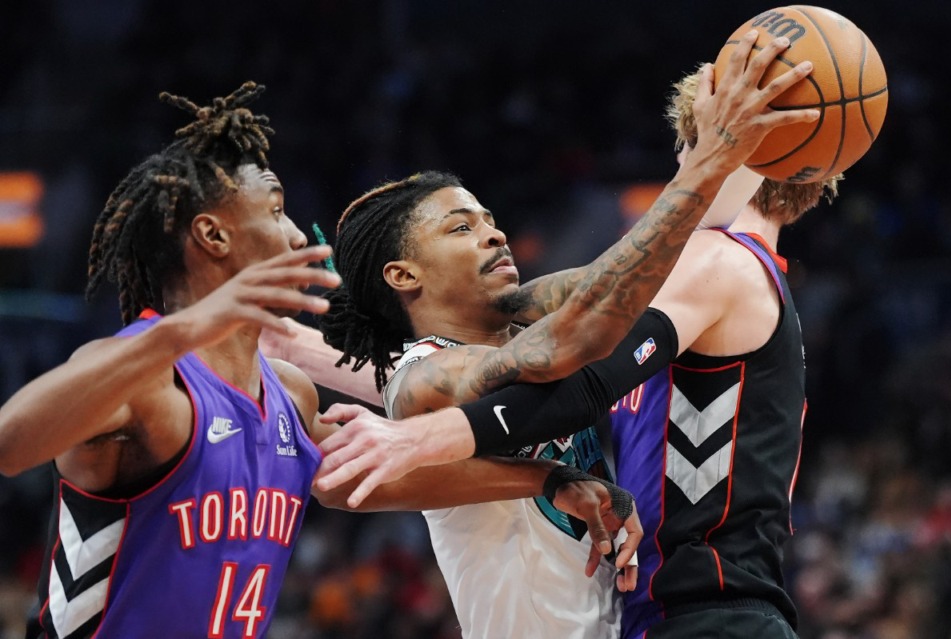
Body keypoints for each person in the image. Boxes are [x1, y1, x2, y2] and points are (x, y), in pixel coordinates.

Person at [0, 82, 642, 639]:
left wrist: (544, 481)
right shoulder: (142, 379)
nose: (295, 234)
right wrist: (189, 326)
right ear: (214, 236)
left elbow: (362, 481)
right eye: (277, 211)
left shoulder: (289, 394)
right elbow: (10, 444)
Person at [309, 34, 819, 638]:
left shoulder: (515, 331)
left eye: (492, 222)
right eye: (461, 228)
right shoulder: (428, 373)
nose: (494, 236)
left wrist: (739, 160)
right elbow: (566, 345)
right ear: (404, 275)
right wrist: (712, 157)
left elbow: (630, 274)